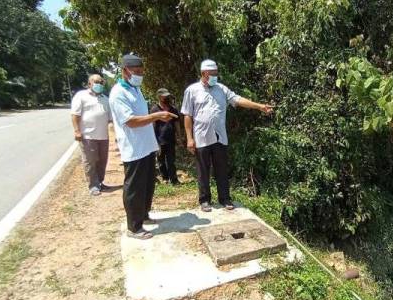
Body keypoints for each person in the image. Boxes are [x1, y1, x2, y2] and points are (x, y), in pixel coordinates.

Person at [181, 59, 273, 212]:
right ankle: (205, 200)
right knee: (203, 170)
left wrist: (259, 106)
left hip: (219, 138)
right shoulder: (192, 90)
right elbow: (187, 116)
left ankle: (225, 198)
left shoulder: (221, 89)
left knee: (222, 169)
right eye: (212, 74)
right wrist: (190, 139)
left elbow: (237, 99)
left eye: (216, 73)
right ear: (204, 74)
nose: (215, 76)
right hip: (201, 138)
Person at [109, 54, 178, 239]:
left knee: (148, 185)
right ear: (125, 71)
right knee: (135, 188)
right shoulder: (118, 93)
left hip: (146, 146)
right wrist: (157, 116)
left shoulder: (135, 90)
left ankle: (144, 215)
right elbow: (130, 121)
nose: (140, 75)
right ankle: (134, 227)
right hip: (134, 149)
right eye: (136, 72)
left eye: (141, 72)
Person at [70, 74, 112, 196]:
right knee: (90, 161)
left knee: (102, 161)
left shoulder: (105, 99)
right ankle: (93, 185)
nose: (99, 84)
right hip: (88, 136)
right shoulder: (81, 96)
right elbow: (75, 115)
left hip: (103, 136)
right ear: (89, 84)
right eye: (96, 82)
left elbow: (110, 119)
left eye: (101, 82)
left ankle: (100, 182)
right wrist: (77, 131)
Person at [150, 88, 181, 185]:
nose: (166, 97)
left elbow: (177, 123)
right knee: (161, 160)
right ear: (159, 97)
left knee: (171, 160)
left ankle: (174, 179)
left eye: (167, 95)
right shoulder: (155, 109)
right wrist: (155, 140)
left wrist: (179, 136)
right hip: (159, 139)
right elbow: (153, 125)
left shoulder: (173, 109)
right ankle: (165, 178)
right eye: (164, 96)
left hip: (170, 138)